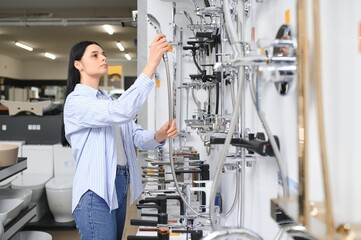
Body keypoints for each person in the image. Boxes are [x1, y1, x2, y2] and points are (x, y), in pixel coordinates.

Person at [61, 34, 177, 239]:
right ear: (78, 64)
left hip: (120, 185)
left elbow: (136, 137)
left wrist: (159, 135)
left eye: (103, 54)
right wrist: (151, 64)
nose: (103, 58)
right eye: (95, 55)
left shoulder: (107, 100)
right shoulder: (76, 101)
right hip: (94, 192)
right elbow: (122, 110)